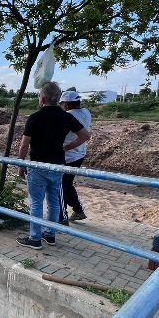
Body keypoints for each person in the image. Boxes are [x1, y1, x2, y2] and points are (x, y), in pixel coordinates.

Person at [16, 82, 90, 250]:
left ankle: (34, 238)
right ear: (57, 99)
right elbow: (85, 135)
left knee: (36, 202)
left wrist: (20, 164)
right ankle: (50, 234)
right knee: (54, 201)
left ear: (42, 98)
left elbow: (23, 145)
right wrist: (68, 147)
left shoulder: (34, 117)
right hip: (58, 165)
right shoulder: (66, 116)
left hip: (38, 166)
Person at [59, 90, 91, 222]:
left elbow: (84, 136)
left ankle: (62, 216)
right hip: (80, 154)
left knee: (61, 186)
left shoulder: (68, 115)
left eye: (61, 104)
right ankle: (77, 210)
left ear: (66, 104)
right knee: (67, 184)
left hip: (69, 155)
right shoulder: (86, 112)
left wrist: (66, 147)